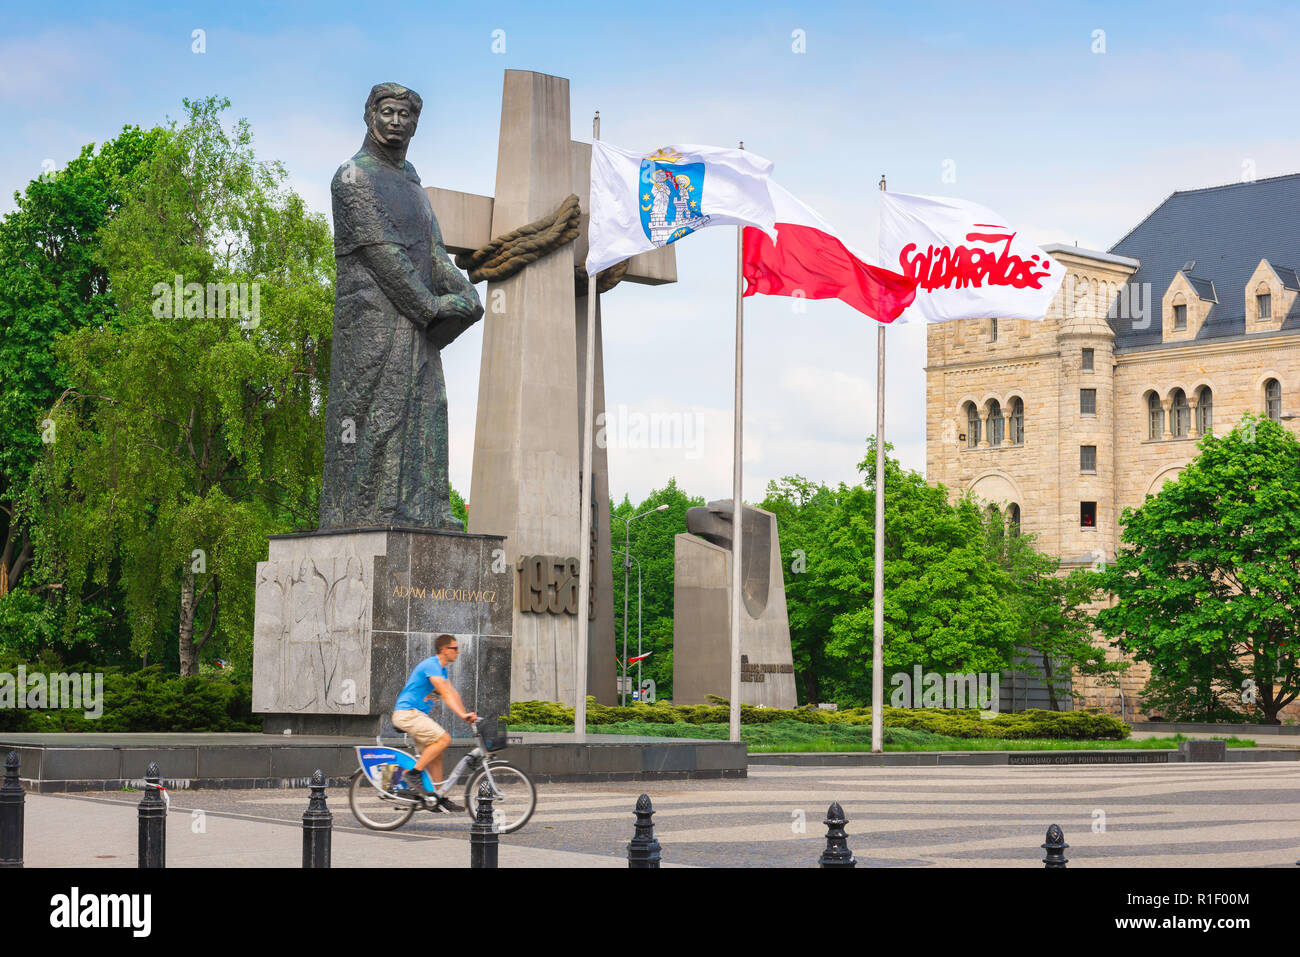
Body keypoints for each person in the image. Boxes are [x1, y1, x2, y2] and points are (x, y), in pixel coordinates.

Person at [319, 82, 483, 531]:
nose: (396, 122)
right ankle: (369, 514)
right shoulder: (352, 177)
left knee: (429, 408)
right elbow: (384, 255)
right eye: (388, 112)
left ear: (415, 123)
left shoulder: (412, 181)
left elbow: (433, 252)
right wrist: (432, 309)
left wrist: (466, 294)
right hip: (373, 326)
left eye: (405, 116)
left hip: (418, 325)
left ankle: (426, 509)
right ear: (369, 114)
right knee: (378, 414)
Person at [392, 633, 478, 810]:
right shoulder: (432, 665)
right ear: (444, 650)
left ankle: (438, 797)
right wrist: (462, 715)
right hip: (407, 713)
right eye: (454, 648)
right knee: (444, 739)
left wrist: (466, 714)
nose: (458, 651)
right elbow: (444, 693)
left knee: (436, 757)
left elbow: (453, 693)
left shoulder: (442, 669)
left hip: (416, 715)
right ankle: (413, 774)